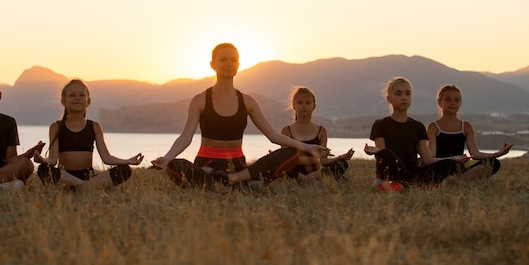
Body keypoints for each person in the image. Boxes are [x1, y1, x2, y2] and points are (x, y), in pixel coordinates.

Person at [150, 43, 330, 190]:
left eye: (233, 60)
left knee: (290, 154)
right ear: (213, 65)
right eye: (223, 59)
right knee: (175, 165)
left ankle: (224, 183)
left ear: (238, 65)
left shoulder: (248, 101)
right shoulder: (200, 100)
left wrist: (309, 148)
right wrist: (167, 157)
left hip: (238, 167)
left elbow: (274, 136)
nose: (228, 63)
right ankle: (238, 184)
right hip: (207, 165)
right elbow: (185, 137)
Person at [34, 79, 143, 189]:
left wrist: (127, 161)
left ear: (88, 101)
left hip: (89, 176)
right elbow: (52, 160)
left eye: (81, 95)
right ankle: (87, 187)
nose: (77, 98)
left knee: (125, 169)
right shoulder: (56, 127)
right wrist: (43, 160)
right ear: (63, 101)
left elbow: (106, 158)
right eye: (72, 95)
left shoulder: (94, 126)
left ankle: (82, 186)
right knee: (43, 169)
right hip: (66, 176)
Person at [364, 77, 469, 191]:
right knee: (386, 153)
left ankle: (404, 185)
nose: (404, 97)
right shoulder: (380, 124)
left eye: (408, 94)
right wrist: (378, 152)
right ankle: (407, 185)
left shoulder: (418, 126)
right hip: (393, 171)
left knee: (451, 165)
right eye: (399, 94)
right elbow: (383, 157)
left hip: (413, 173)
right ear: (389, 98)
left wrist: (453, 159)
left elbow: (427, 160)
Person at [427, 84, 513, 181]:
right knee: (446, 164)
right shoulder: (433, 127)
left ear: (460, 103)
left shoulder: (466, 127)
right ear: (440, 103)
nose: (452, 103)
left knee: (493, 163)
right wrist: (452, 159)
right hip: (441, 168)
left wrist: (496, 154)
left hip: (458, 169)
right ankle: (455, 181)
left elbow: (475, 154)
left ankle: (457, 181)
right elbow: (431, 156)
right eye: (448, 99)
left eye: (456, 100)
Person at [280, 86, 354, 182]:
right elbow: (285, 161)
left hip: (315, 172)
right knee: (281, 169)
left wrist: (341, 157)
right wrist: (312, 159)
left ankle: (310, 178)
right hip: (294, 172)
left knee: (341, 164)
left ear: (314, 106)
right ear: (294, 106)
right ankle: (308, 179)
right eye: (300, 103)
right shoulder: (286, 131)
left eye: (308, 103)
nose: (304, 106)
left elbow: (323, 161)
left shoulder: (321, 131)